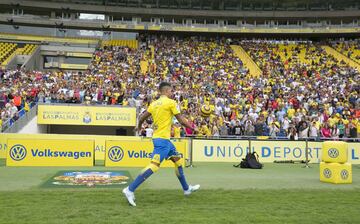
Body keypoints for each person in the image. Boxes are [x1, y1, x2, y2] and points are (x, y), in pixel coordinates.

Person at [122, 82, 200, 207]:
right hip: (162, 141)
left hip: (163, 140)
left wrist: (138, 128)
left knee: (178, 161)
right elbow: (181, 121)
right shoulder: (170, 103)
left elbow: (142, 118)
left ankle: (186, 189)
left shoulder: (154, 104)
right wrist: (193, 128)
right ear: (167, 91)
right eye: (171, 91)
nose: (172, 93)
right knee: (154, 166)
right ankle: (130, 189)